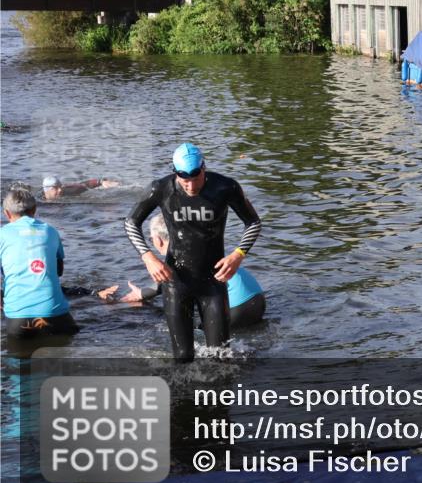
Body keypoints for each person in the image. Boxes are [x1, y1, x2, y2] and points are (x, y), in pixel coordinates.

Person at [124, 143, 262, 362]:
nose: (190, 186)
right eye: (184, 180)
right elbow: (131, 223)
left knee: (221, 358)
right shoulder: (160, 189)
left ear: (203, 168)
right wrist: (148, 257)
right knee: (182, 357)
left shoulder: (225, 187)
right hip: (176, 282)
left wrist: (238, 254)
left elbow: (253, 222)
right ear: (175, 173)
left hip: (213, 282)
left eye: (195, 179)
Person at [121, 213, 266, 328]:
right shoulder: (197, 248)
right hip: (258, 302)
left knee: (175, 325)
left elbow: (163, 283)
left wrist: (139, 294)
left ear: (157, 240)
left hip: (237, 310)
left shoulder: (178, 256)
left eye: (150, 238)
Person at [0, 188, 79, 339]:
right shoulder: (50, 231)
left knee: (17, 359)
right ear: (35, 209)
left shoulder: (1, 234)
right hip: (55, 314)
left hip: (18, 318)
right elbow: (58, 271)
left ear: (7, 213)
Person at [42, 176, 120, 201]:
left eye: (60, 186)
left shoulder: (67, 191)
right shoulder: (38, 201)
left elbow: (84, 185)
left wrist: (101, 182)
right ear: (47, 189)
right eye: (56, 188)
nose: (60, 189)